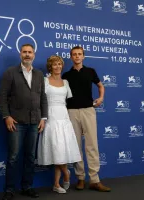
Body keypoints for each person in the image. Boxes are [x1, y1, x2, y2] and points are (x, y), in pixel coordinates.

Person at [0, 44, 48, 200]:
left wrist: (43, 117)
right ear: (20, 54)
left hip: (35, 122)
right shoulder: (10, 72)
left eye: (30, 52)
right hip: (16, 122)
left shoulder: (39, 74)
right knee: (13, 157)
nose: (27, 55)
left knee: (30, 156)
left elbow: (43, 98)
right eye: (24, 52)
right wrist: (7, 116)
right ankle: (9, 190)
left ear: (34, 55)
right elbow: (2, 96)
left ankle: (27, 187)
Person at [62, 46, 111, 192]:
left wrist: (101, 98)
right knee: (76, 146)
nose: (77, 56)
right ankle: (80, 178)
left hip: (88, 110)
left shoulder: (91, 71)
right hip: (71, 112)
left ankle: (95, 180)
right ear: (71, 57)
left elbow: (101, 86)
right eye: (74, 54)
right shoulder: (66, 75)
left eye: (79, 54)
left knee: (92, 145)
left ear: (83, 56)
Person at [37, 55, 81, 194]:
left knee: (61, 149)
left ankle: (56, 184)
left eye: (59, 64)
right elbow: (40, 101)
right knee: (56, 149)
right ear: (50, 66)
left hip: (64, 117)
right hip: (50, 117)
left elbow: (69, 102)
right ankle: (66, 174)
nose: (57, 66)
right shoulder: (44, 81)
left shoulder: (66, 82)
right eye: (54, 64)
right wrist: (42, 118)